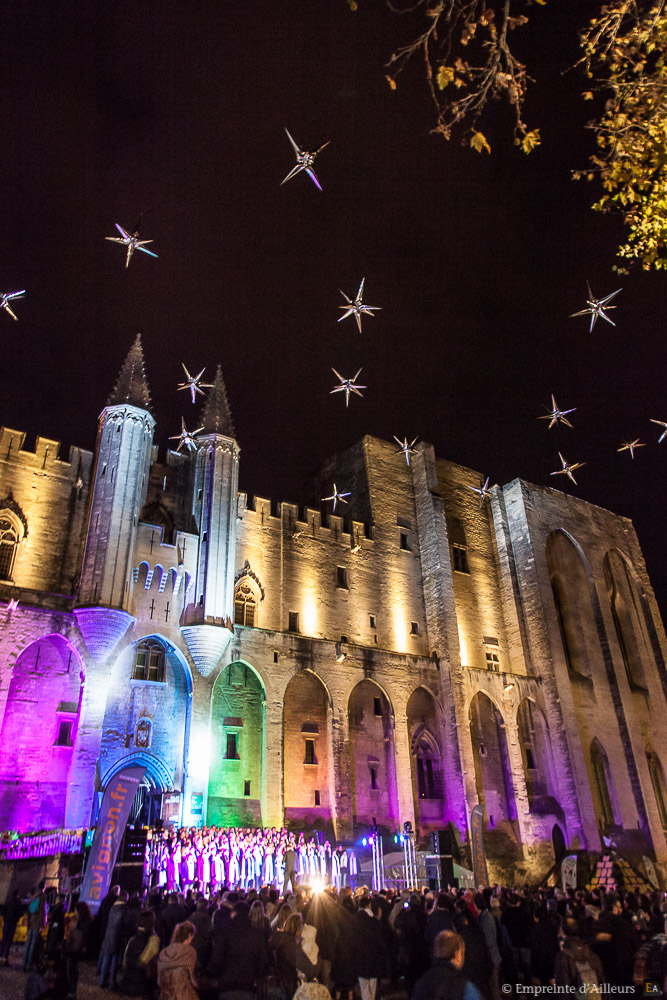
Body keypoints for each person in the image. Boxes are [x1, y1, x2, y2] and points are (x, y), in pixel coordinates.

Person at [411, 930, 482, 1000]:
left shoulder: (421, 984)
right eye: (462, 954)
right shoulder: (464, 987)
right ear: (457, 954)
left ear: (435, 953)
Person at [271, 911, 317, 1000]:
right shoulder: (291, 943)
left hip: (283, 978)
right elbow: (302, 964)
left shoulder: (279, 938)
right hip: (291, 980)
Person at [118, 910, 160, 998]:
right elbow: (145, 961)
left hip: (128, 979)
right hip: (143, 983)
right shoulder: (153, 939)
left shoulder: (132, 939)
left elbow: (125, 961)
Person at [157, 920, 198, 1000]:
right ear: (189, 935)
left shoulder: (164, 952)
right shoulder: (189, 952)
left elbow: (159, 980)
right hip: (184, 994)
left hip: (166, 995)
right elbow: (192, 979)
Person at [99, 889, 129, 989]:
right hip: (118, 936)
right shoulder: (124, 909)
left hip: (109, 934)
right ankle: (112, 982)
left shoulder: (113, 907)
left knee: (106, 958)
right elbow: (125, 924)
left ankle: (102, 980)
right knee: (114, 961)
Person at [23, 885, 48, 973]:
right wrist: (43, 923)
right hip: (37, 924)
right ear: (44, 887)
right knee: (33, 945)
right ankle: (29, 965)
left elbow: (29, 911)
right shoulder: (43, 896)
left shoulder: (33, 896)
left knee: (28, 944)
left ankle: (23, 964)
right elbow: (44, 911)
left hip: (31, 923)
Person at [1, 889, 23, 966]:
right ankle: (5, 958)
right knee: (9, 941)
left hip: (6, 923)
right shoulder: (18, 903)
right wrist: (16, 918)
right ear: (17, 895)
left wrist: (5, 919)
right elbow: (20, 913)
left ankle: (0, 957)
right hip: (12, 923)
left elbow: (3, 911)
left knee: (4, 940)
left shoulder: (8, 902)